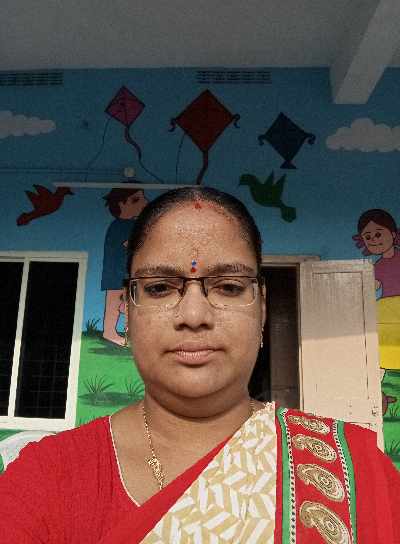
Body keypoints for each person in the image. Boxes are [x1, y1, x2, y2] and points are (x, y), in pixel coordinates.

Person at [1, 187, 400, 543]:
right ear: (129, 308)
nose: (194, 315)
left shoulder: (358, 474)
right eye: (160, 287)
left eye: (228, 286)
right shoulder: (46, 480)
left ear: (261, 308)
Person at [101, 187, 148, 345]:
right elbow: (131, 245)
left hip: (127, 273)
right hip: (116, 273)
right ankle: (109, 332)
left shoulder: (132, 224)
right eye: (137, 200)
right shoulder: (120, 226)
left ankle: (128, 328)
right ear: (122, 204)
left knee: (128, 302)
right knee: (114, 303)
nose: (144, 202)